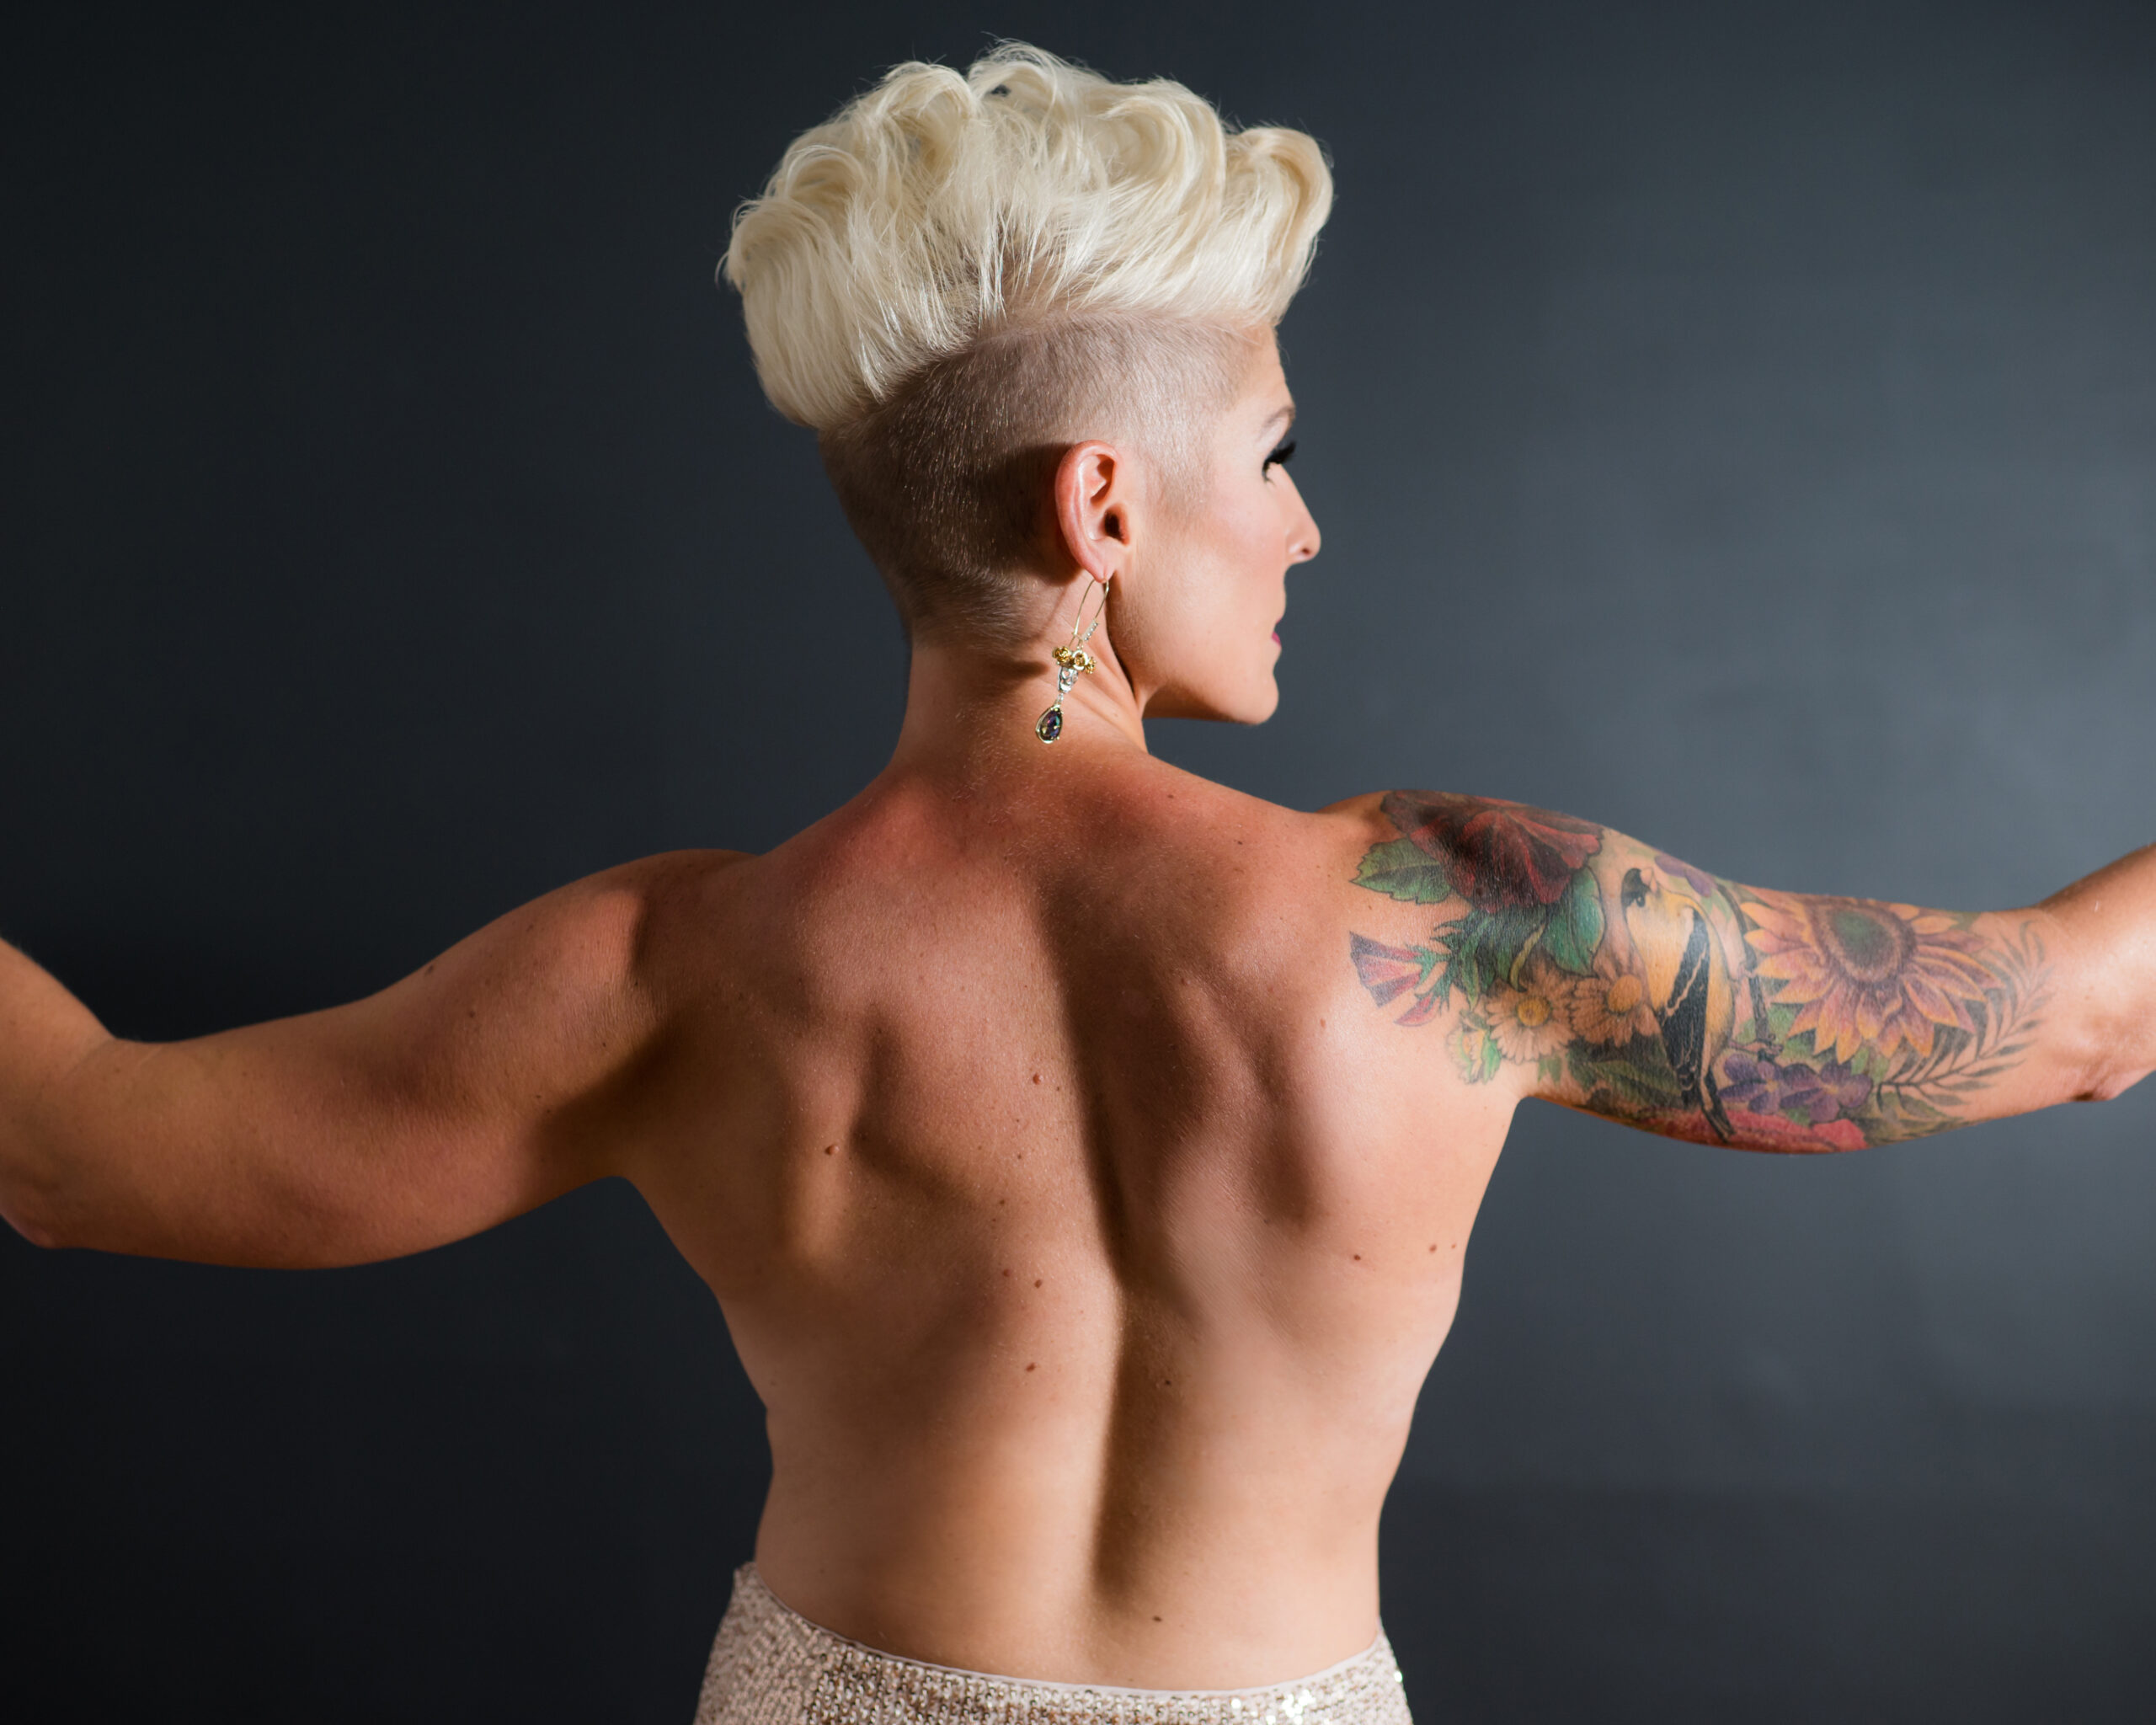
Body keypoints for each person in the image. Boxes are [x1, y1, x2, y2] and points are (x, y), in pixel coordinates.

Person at [2, 41, 2150, 1725]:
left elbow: (73, 1145)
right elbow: (2077, 1014)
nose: (1306, 526)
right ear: (1103, 502)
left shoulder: (671, 974)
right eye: (1277, 452)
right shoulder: (1461, 925)